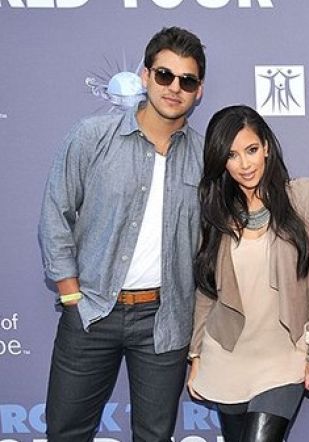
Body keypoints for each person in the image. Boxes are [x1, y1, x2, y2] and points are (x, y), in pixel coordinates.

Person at [37, 27, 206, 441]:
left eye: (187, 81)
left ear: (198, 91)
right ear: (145, 76)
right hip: (92, 310)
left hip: (164, 320)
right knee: (66, 431)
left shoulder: (205, 158)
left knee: (154, 435)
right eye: (164, 75)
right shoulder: (92, 136)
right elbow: (55, 213)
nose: (174, 88)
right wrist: (71, 294)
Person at [187, 105, 309, 441]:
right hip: (227, 356)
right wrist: (196, 354)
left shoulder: (302, 196)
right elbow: (207, 290)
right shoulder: (217, 212)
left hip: (284, 356)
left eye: (251, 150)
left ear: (266, 146)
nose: (245, 164)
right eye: (232, 155)